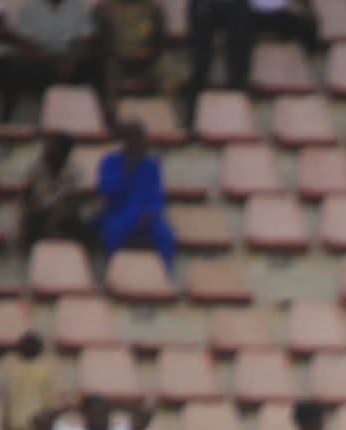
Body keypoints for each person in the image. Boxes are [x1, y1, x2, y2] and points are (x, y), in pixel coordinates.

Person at [188, 0, 321, 100]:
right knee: (228, 14)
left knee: (306, 24)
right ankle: (210, 93)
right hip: (231, 12)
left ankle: (238, 90)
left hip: (257, 12)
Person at [97, 119, 176, 274]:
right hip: (118, 214)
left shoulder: (151, 166)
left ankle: (166, 275)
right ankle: (113, 274)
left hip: (147, 217)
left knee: (166, 235)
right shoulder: (111, 163)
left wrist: (150, 213)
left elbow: (157, 197)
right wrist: (125, 171)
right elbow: (107, 191)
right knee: (112, 231)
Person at [20, 132, 96, 251]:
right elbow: (28, 197)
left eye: (53, 147)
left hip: (63, 214)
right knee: (30, 219)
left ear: (64, 152)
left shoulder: (74, 172)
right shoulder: (37, 169)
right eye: (49, 146)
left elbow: (68, 199)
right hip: (40, 215)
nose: (48, 151)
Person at [0, 330, 58, 430]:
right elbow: (50, 403)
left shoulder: (11, 372)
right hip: (36, 427)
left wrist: (5, 423)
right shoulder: (44, 373)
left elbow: (6, 402)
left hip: (15, 425)